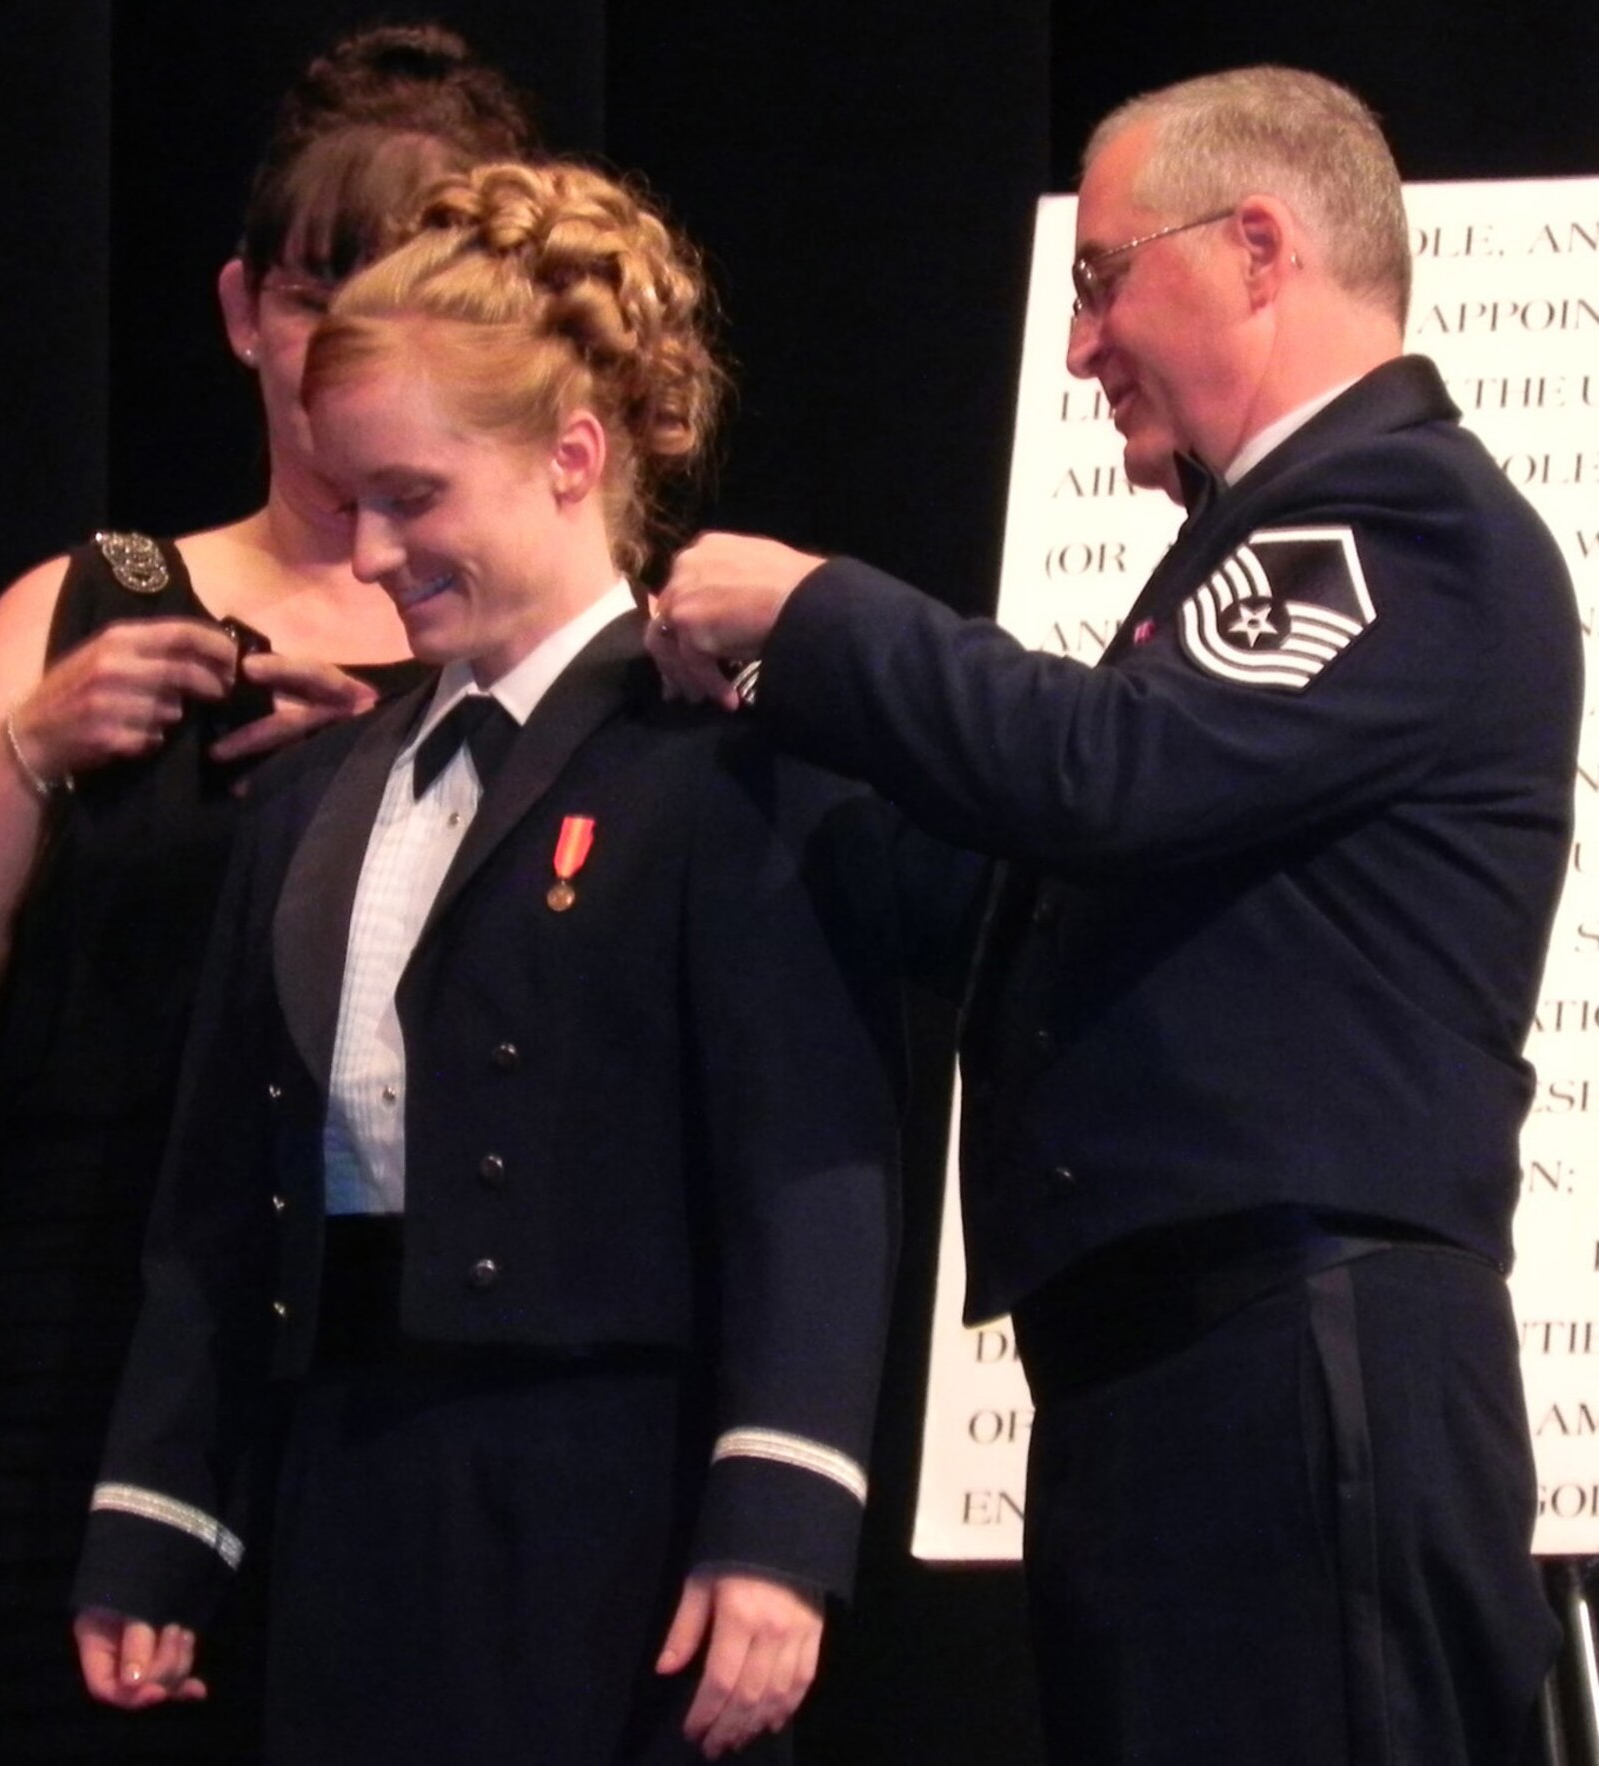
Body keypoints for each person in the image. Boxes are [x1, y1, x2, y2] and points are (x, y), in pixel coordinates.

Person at [650, 65, 1577, 1766]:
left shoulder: (1402, 514)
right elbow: (1047, 867)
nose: (1079, 348)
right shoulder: (1274, 542)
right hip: (1187, 1384)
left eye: (1099, 281)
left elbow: (1096, 774)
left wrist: (815, 610)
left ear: (1257, 247)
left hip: (1299, 1368)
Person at [68, 160, 919, 1764]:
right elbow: (217, 1184)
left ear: (571, 459)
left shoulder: (718, 758)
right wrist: (159, 1512)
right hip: (353, 1487)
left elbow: (809, 1158)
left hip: (616, 1501)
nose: (372, 549)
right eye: (350, 499)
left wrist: (780, 1522)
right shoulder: (320, 787)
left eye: (413, 497)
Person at [0, 26, 537, 1762]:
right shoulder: (97, 605)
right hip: (89, 1351)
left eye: (418, 290)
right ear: (241, 311)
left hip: (423, 1378)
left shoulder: (564, 651)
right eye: (315, 294)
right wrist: (39, 751)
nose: (350, 348)